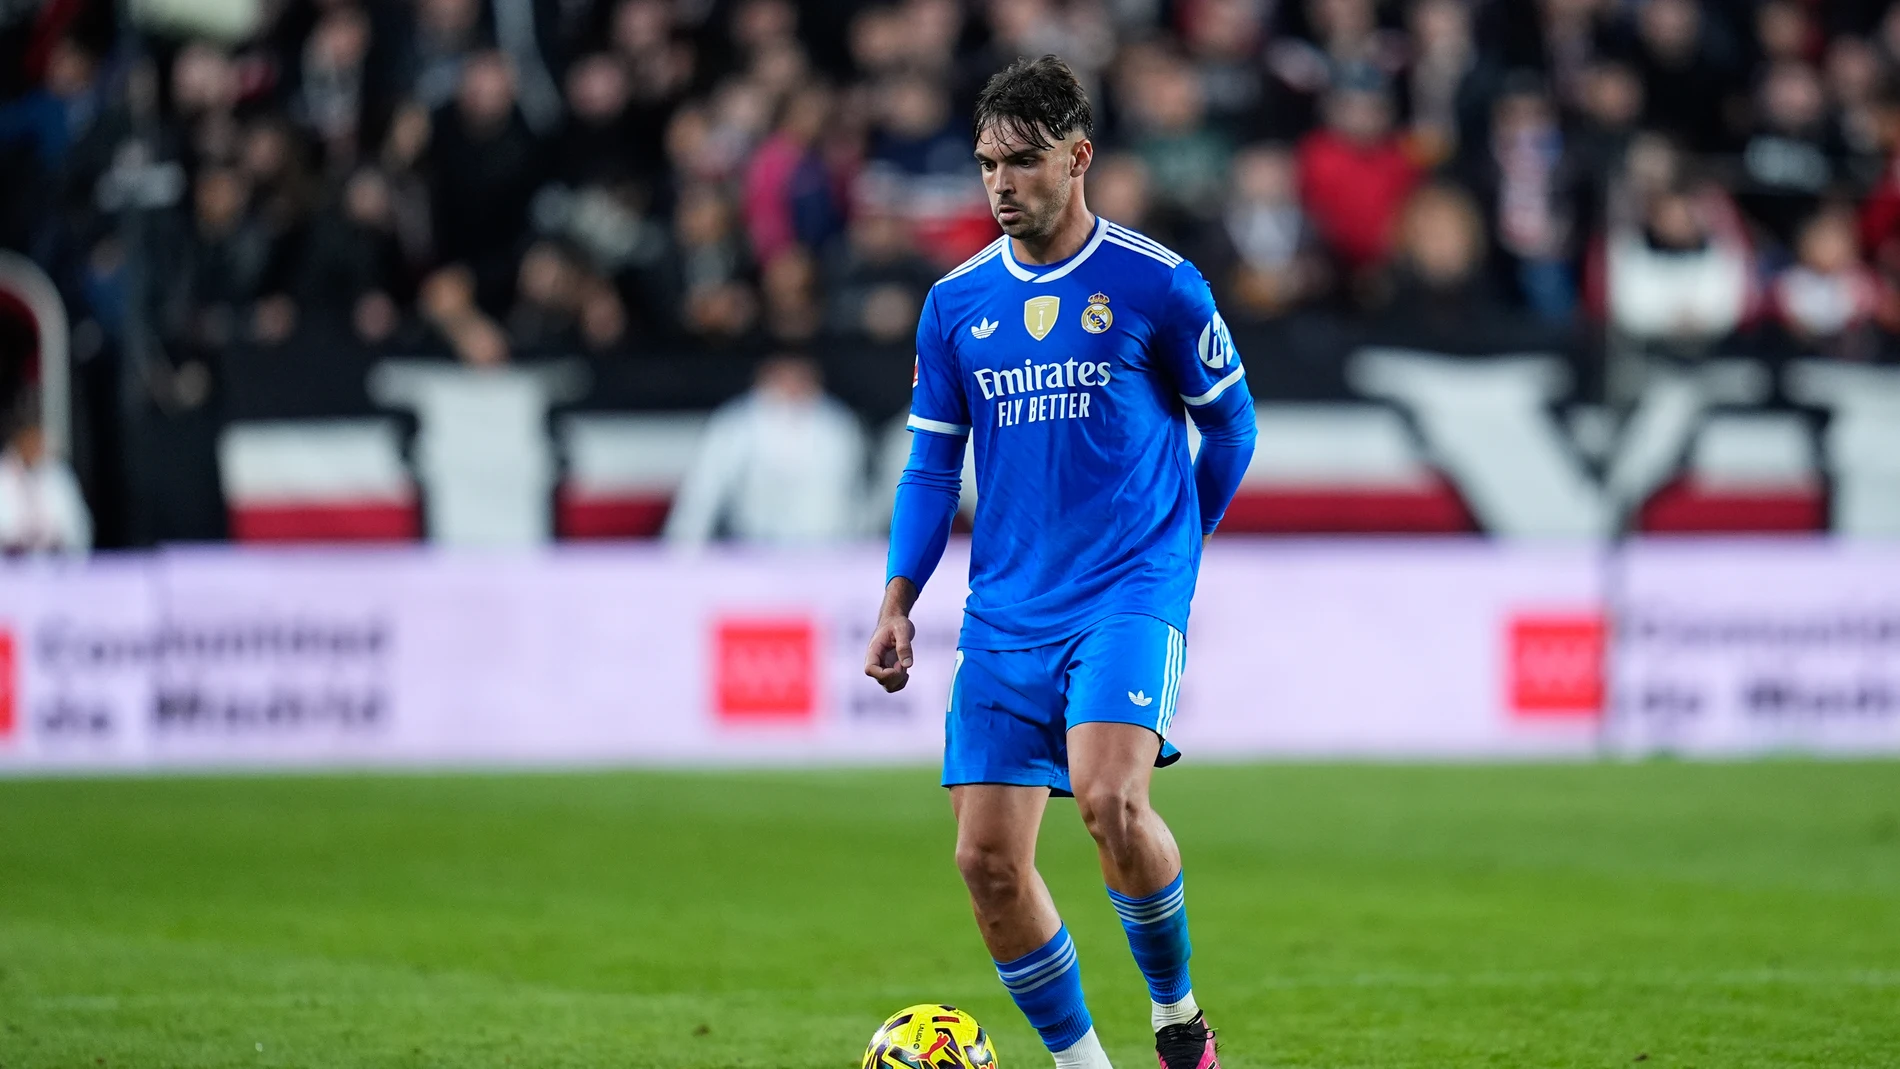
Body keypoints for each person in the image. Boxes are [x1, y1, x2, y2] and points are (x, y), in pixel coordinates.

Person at [862, 56, 1256, 1069]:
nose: (1000, 183)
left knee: (1108, 798)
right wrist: (899, 599)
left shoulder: (1156, 283)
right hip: (1005, 608)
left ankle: (1177, 1016)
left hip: (1126, 590)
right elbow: (929, 464)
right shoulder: (955, 305)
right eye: (986, 162)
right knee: (987, 863)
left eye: (1023, 161)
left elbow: (1231, 427)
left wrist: (1176, 550)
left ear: (1077, 158)